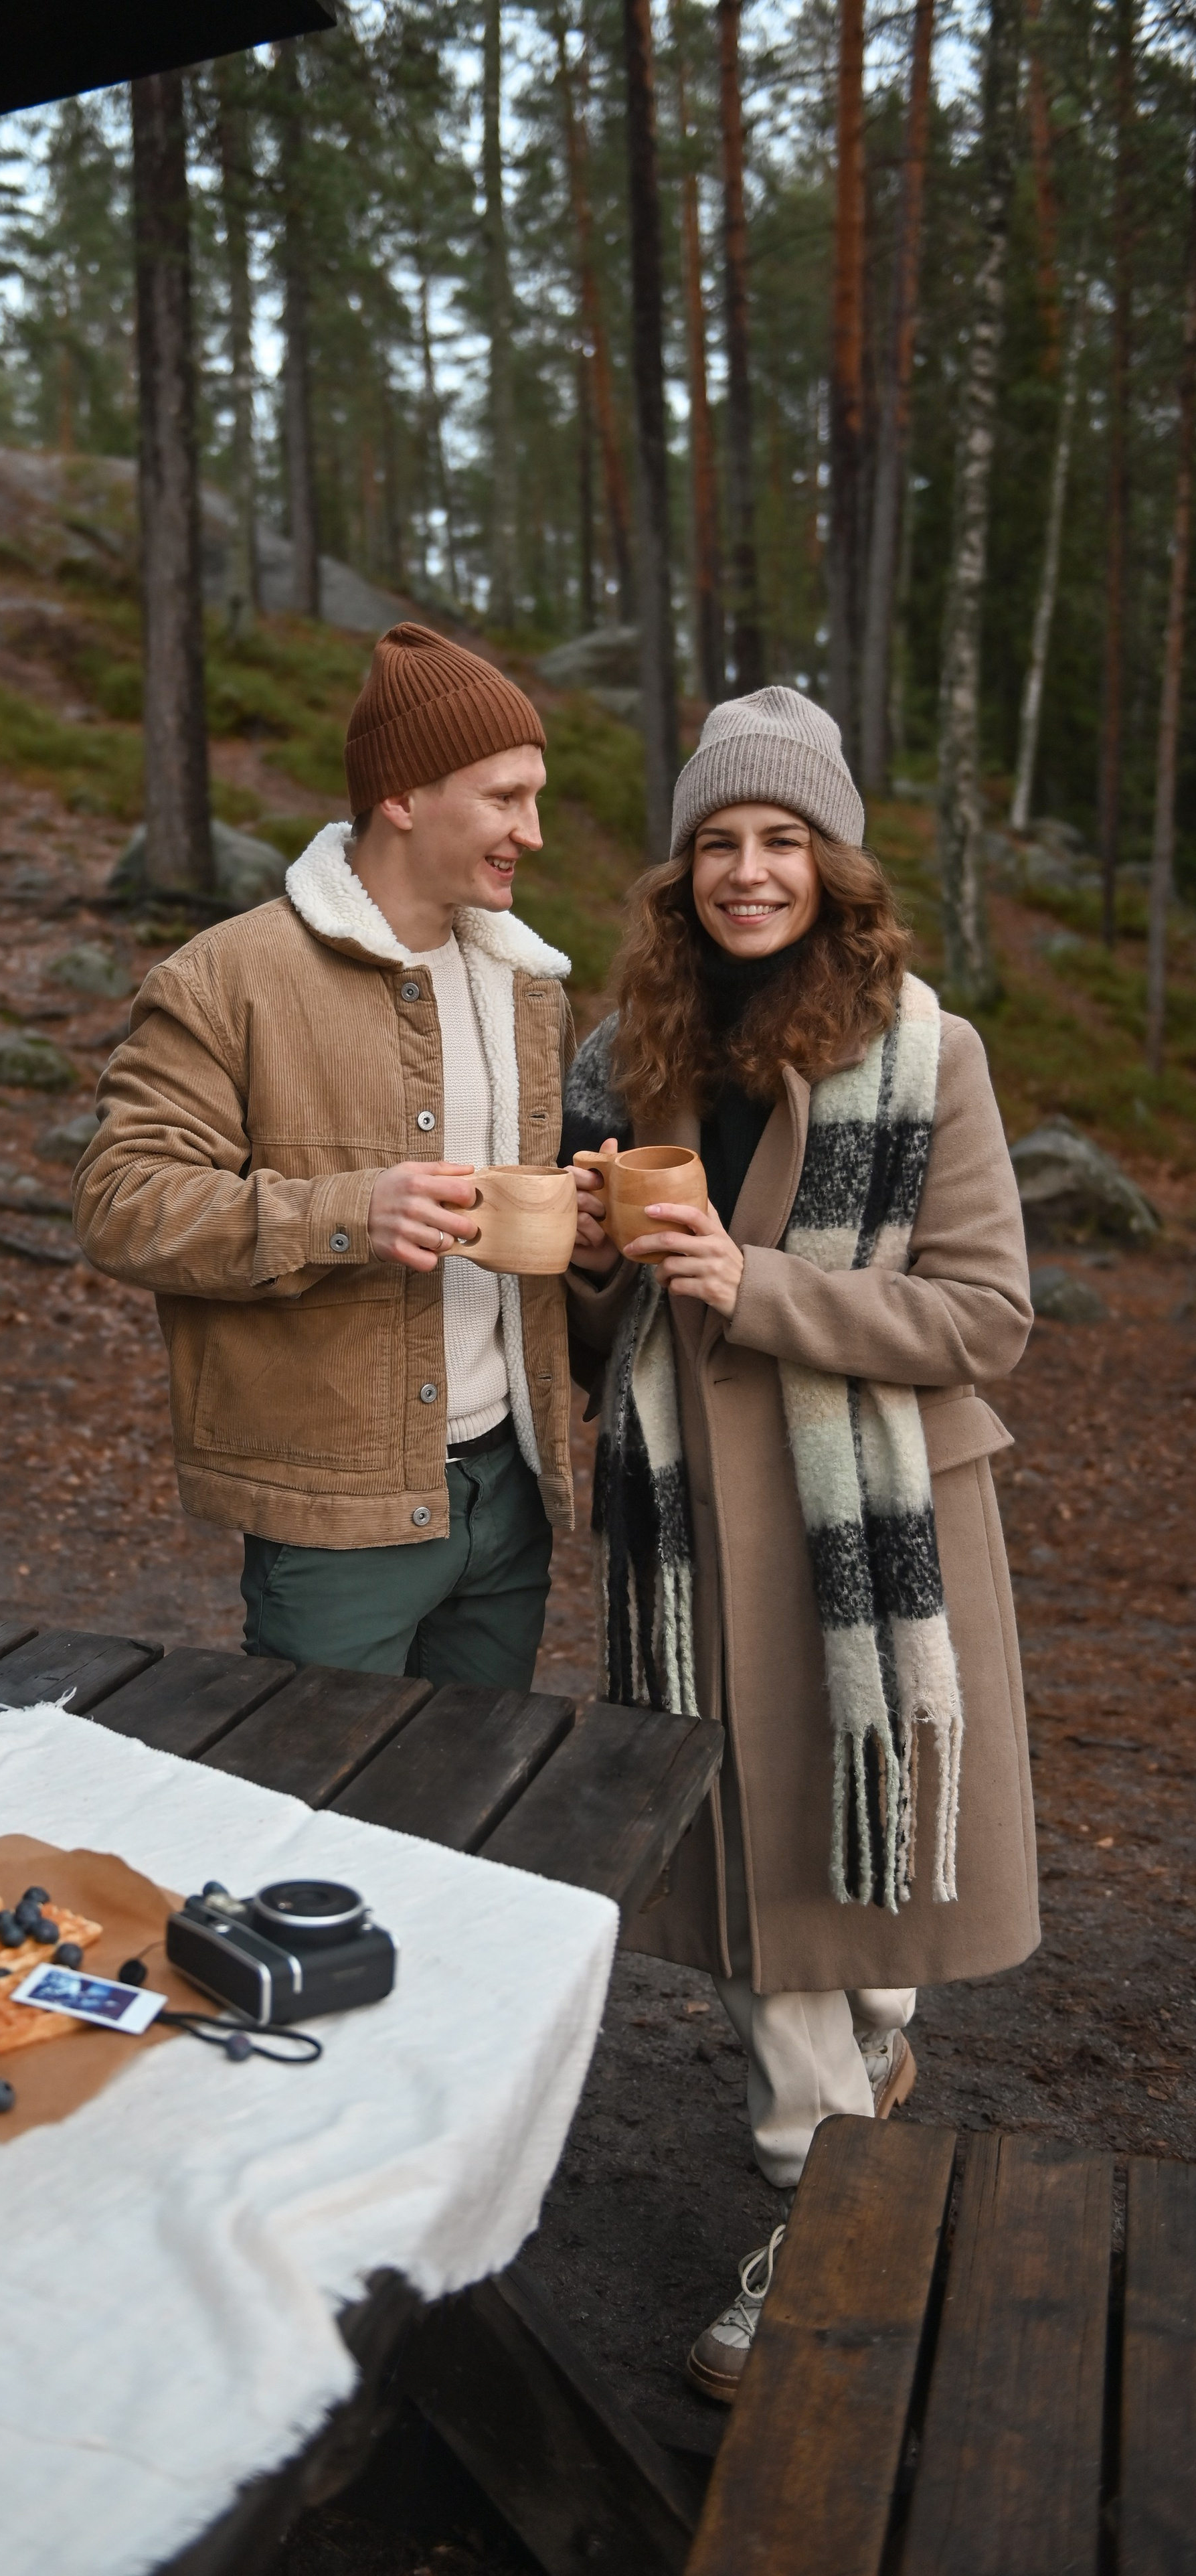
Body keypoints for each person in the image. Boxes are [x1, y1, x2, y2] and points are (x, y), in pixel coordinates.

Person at [562, 687, 1037, 2403]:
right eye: (715, 842)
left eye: (779, 839)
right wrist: (594, 1267)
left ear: (833, 863)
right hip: (689, 1524)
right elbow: (600, 1333)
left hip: (877, 1524)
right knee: (764, 1886)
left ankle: (852, 2113)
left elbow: (984, 1317)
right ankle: (817, 2186)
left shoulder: (927, 1052)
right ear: (678, 869)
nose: (745, 871)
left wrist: (755, 1286)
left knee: (853, 1874)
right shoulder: (624, 1051)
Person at [74, 623, 583, 1685]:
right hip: (334, 1519)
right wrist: (348, 1214)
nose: (532, 834)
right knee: (323, 1793)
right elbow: (121, 1201)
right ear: (401, 795)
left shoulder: (532, 991)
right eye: (504, 798)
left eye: (535, 799)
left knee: (476, 1792)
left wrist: (590, 1223)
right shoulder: (227, 979)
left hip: (509, 1498)